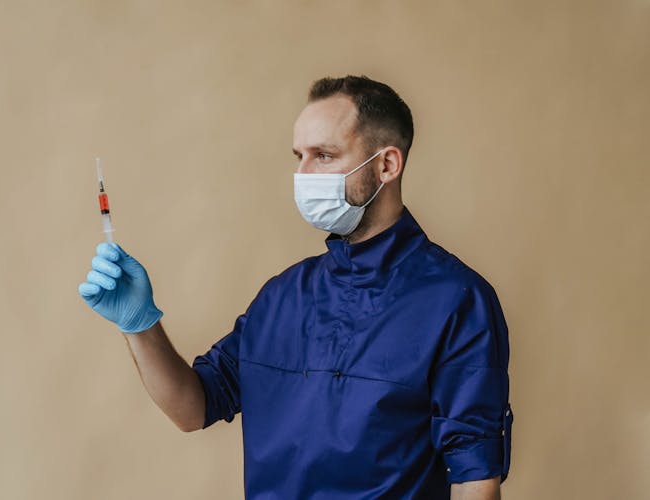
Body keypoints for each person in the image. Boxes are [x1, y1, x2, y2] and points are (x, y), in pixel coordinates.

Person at [78, 75, 513, 499]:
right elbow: (193, 407)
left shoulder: (455, 301)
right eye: (298, 156)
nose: (303, 175)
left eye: (323, 155)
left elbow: (475, 476)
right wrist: (139, 324)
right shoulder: (282, 297)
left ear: (386, 164)